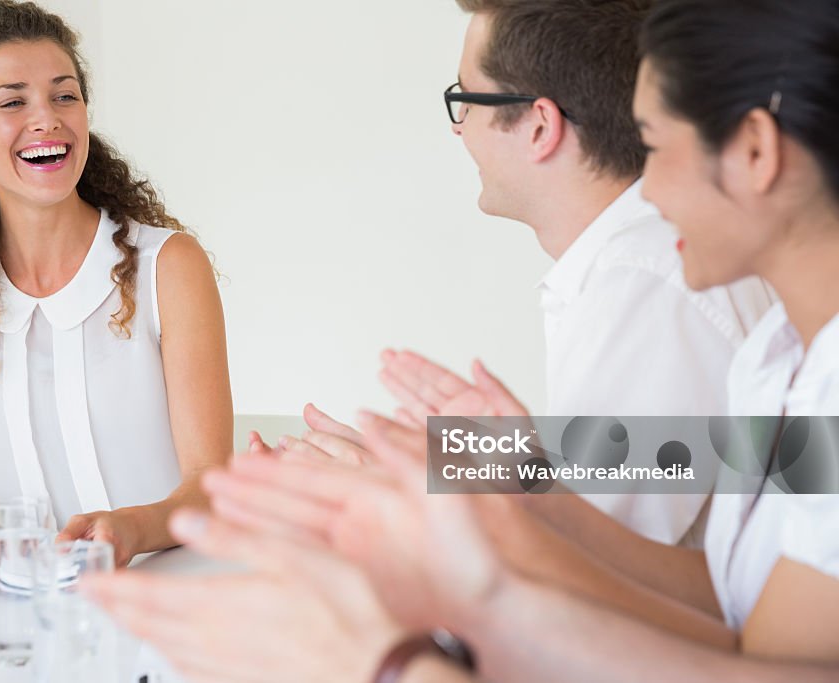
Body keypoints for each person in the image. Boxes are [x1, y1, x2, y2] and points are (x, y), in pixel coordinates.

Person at [86, 0, 839, 680]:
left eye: (660, 147)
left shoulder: (647, 278)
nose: (652, 186)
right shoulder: (777, 348)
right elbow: (722, 577)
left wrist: (432, 616)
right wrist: (470, 466)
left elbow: (696, 623)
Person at [257, 0, 774, 546]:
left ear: (539, 126)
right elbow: (598, 485)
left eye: (465, 100)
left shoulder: (643, 284)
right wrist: (416, 472)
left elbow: (588, 561)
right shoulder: (641, 266)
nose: (460, 132)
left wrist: (393, 496)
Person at [0, 0, 232, 593]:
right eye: (13, 101)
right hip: (22, 608)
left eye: (64, 95)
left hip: (171, 596)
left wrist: (134, 529)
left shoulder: (167, 266)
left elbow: (210, 483)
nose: (47, 119)